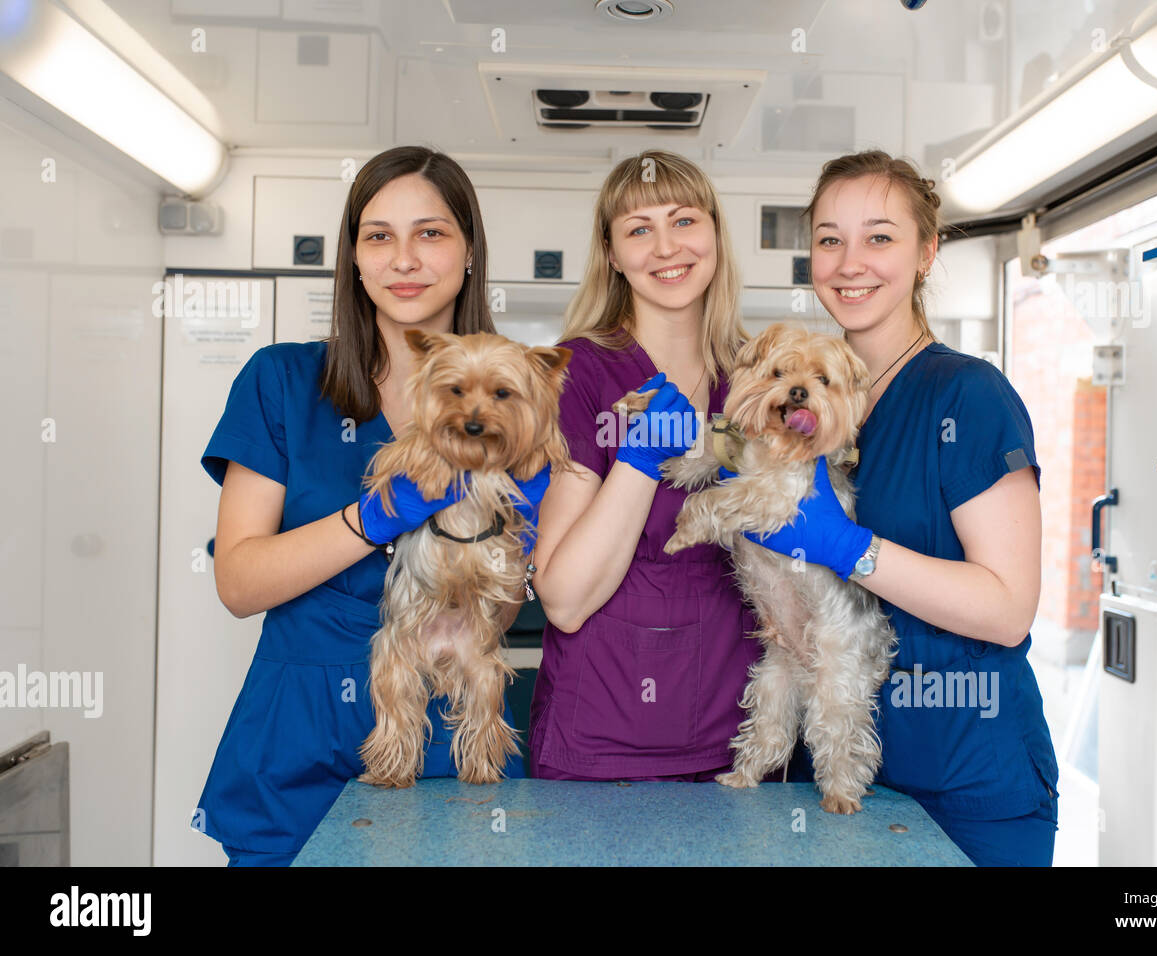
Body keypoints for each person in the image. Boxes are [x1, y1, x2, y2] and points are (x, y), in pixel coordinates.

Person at [193, 146, 545, 866]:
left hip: (448, 725)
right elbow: (239, 582)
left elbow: (497, 617)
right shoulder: (282, 381)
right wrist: (373, 517)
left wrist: (506, 550)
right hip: (300, 732)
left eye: (431, 232)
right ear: (353, 258)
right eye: (378, 235)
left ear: (469, 251)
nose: (404, 258)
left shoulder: (512, 403)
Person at [738, 150, 1059, 866]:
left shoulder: (968, 396)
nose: (851, 262)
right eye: (829, 239)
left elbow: (1008, 608)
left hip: (965, 782)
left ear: (926, 251)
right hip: (846, 781)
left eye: (879, 236)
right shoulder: (819, 411)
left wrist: (849, 548)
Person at [527, 150, 767, 781]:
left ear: (714, 233)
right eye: (638, 229)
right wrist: (638, 460)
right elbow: (564, 599)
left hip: (742, 739)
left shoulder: (755, 379)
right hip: (604, 739)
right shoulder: (576, 373)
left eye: (684, 221)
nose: (666, 247)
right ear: (611, 253)